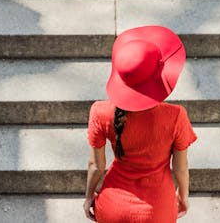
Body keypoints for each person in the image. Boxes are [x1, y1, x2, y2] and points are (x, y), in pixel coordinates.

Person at [84, 25, 197, 222]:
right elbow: (180, 167)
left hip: (112, 207)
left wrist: (88, 198)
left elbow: (96, 165)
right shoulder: (175, 116)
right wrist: (183, 196)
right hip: (156, 210)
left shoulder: (100, 112)